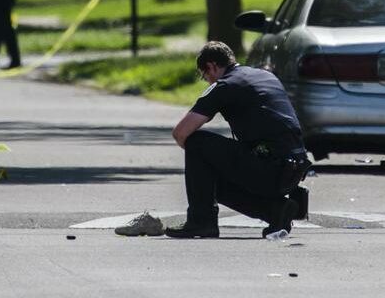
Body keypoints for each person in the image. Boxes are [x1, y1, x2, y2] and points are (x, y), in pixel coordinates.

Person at [115, 41, 310, 238]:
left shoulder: (225, 85)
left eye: (205, 75)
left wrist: (199, 165)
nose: (207, 81)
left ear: (211, 66)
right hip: (294, 168)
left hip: (270, 168)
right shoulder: (264, 75)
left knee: (195, 142)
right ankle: (276, 211)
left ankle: (201, 221)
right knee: (208, 179)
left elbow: (181, 132)